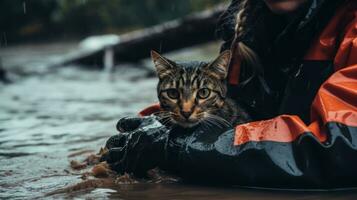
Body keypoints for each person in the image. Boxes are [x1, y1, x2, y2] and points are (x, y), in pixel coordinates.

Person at [102, 0, 357, 189]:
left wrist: (183, 147)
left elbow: (345, 146)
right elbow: (226, 107)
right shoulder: (246, 29)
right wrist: (153, 126)